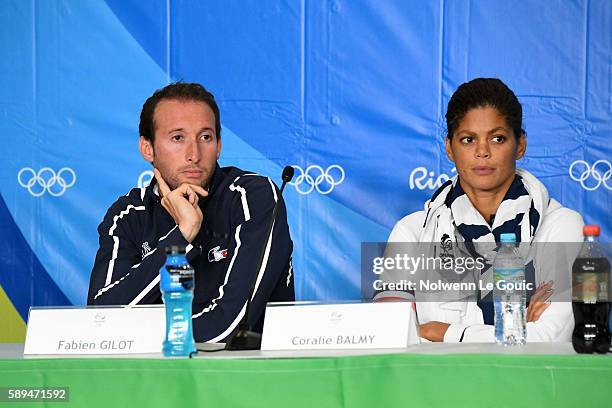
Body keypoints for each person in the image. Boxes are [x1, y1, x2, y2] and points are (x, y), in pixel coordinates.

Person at [375, 78, 583, 342]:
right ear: (449, 147)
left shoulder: (561, 226)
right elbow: (391, 335)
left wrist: (444, 332)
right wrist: (517, 331)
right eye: (468, 139)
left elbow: (551, 337)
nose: (482, 152)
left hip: (526, 382)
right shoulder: (412, 232)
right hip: (434, 383)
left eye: (497, 138)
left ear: (520, 144)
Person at [87, 82, 294, 343]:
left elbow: (230, 324)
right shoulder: (128, 214)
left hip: (244, 376)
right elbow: (99, 320)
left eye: (205, 137)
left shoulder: (252, 196)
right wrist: (181, 236)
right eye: (178, 138)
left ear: (218, 145)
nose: (193, 154)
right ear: (147, 148)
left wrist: (137, 336)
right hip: (152, 378)